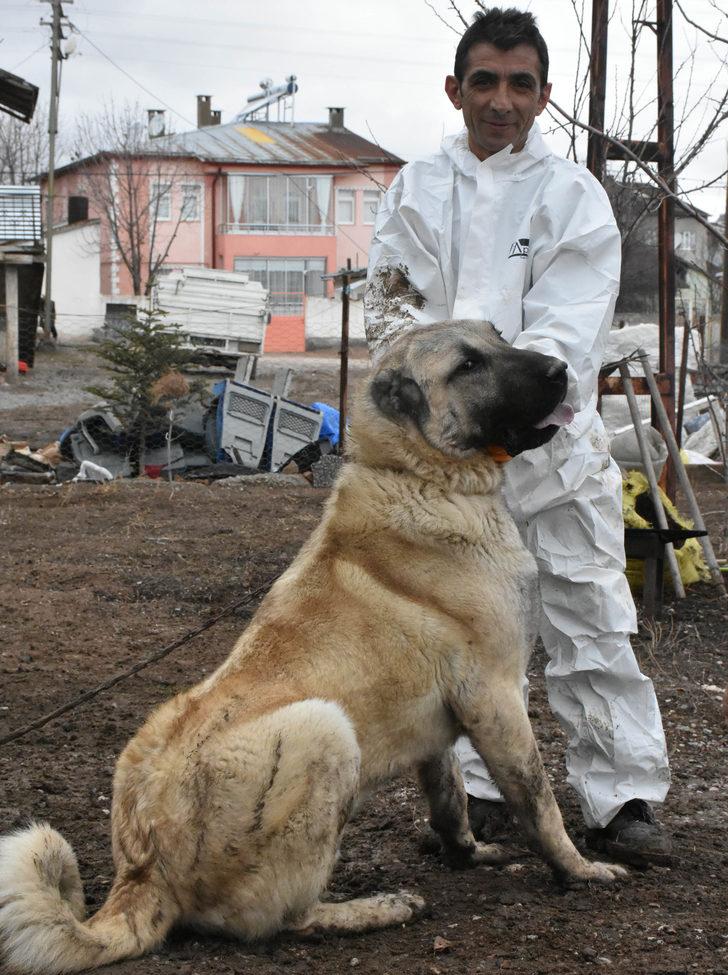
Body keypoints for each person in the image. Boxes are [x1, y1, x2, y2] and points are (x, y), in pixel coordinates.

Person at [364, 6, 671, 866]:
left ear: (543, 96)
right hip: (452, 467)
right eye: (487, 81)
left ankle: (625, 794)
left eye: (521, 84)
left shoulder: (573, 196)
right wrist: (436, 419)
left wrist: (514, 419)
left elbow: (566, 331)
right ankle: (487, 792)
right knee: (471, 630)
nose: (502, 100)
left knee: (590, 619)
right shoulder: (416, 190)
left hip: (551, 457)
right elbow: (392, 302)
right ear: (455, 88)